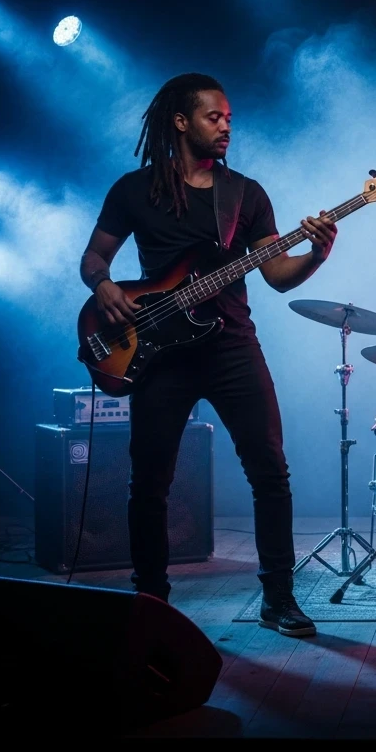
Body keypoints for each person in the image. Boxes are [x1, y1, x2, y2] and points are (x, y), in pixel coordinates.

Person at [79, 72, 338, 637]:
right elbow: (94, 259)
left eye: (229, 119)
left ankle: (279, 598)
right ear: (181, 122)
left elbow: (276, 276)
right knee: (149, 483)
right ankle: (150, 598)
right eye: (213, 117)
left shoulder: (245, 194)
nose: (226, 127)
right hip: (157, 353)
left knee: (270, 472)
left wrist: (315, 254)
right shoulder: (133, 189)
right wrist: (104, 288)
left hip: (231, 348)